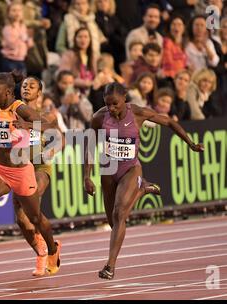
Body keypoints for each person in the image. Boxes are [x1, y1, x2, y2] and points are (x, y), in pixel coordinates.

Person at [83, 82, 204, 280]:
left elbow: (170, 123)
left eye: (115, 104)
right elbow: (88, 146)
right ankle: (142, 189)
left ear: (124, 98)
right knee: (114, 223)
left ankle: (109, 267)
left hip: (130, 168)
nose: (111, 109)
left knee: (119, 213)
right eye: (108, 104)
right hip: (108, 170)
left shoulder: (138, 113)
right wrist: (86, 177)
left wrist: (190, 143)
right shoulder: (99, 117)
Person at [0, 72, 61, 275]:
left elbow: (50, 128)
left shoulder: (21, 109)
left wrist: (28, 126)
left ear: (7, 92)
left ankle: (52, 249)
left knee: (35, 218)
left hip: (25, 168)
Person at [13, 76, 64, 276]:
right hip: (18, 167)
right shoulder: (13, 114)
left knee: (31, 207)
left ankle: (47, 252)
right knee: (22, 221)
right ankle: (44, 249)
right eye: (24, 85)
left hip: (40, 167)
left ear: (39, 93)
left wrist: (52, 150)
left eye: (31, 86)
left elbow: (61, 140)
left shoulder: (48, 116)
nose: (26, 88)